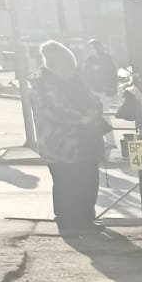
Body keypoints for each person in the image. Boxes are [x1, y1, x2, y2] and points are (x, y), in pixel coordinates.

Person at [30, 41, 106, 233]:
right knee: (67, 184)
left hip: (85, 141)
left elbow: (94, 100)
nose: (71, 71)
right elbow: (55, 111)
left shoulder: (74, 81)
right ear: (57, 66)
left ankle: (86, 220)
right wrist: (83, 118)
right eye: (67, 67)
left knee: (89, 181)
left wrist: (93, 112)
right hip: (60, 146)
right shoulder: (42, 86)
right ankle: (68, 223)